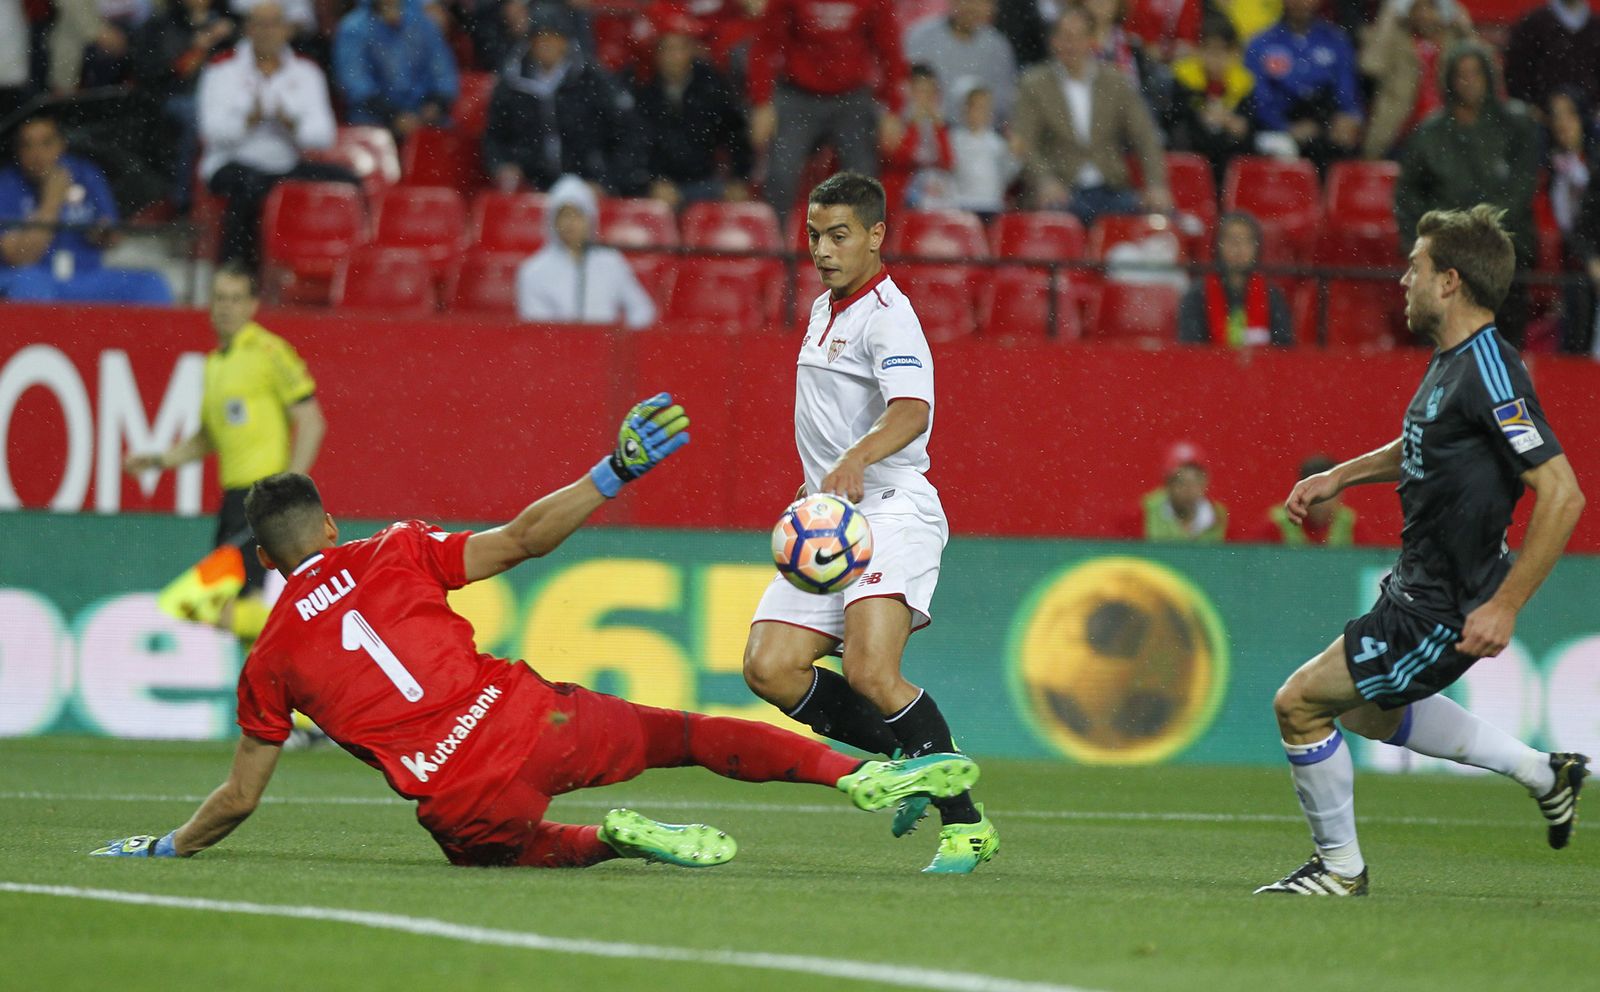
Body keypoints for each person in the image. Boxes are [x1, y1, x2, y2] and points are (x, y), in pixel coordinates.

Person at [90, 399, 981, 869]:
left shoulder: (271, 654)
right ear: (327, 529)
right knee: (687, 735)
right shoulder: (395, 549)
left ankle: (611, 842)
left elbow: (241, 798)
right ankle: (859, 770)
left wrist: (169, 843)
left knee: (504, 850)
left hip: (458, 792)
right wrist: (612, 470)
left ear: (271, 559)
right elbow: (519, 539)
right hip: (530, 718)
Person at [1256, 205, 1588, 897]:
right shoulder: (1453, 366)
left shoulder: (1491, 371)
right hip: (1419, 589)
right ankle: (1544, 773)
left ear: (1450, 283)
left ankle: (1340, 871)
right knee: (1367, 709)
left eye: (1417, 265)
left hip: (1442, 605)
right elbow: (1419, 446)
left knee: (1299, 705)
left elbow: (1563, 495)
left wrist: (1505, 606)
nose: (1404, 278)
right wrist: (1338, 475)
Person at [741, 172, 999, 875]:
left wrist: (853, 460)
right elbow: (829, 422)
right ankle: (916, 758)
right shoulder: (825, 309)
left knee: (869, 671)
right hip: (832, 519)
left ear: (877, 235)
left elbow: (912, 410)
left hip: (889, 510)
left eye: (840, 236)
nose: (823, 250)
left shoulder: (890, 316)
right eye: (815, 236)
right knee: (769, 666)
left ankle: (967, 825)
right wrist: (814, 483)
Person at [123, 263, 327, 644]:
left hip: (262, 495)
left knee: (204, 604)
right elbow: (208, 438)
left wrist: (287, 490)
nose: (226, 307)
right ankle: (268, 695)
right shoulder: (216, 363)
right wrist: (156, 461)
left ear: (252, 305)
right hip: (235, 500)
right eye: (219, 298)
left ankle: (311, 634)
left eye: (236, 299)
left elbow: (311, 420)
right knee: (238, 606)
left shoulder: (268, 351)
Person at [1395, 41, 1539, 346]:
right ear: (1448, 80)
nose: (1468, 82)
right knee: (1441, 345)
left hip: (1504, 252)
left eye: (1476, 74)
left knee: (1503, 343)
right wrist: (1425, 243)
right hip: (1444, 257)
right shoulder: (1428, 134)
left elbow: (1522, 188)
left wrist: (1484, 234)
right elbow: (1407, 196)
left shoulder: (1517, 127)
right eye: (1461, 74)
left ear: (1489, 78)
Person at [197, 2, 356, 271]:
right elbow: (211, 131)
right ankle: (237, 273)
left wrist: (293, 125)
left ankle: (343, 269)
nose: (267, 32)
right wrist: (247, 121)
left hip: (285, 166)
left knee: (348, 182)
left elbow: (323, 135)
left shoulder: (306, 72)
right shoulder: (222, 70)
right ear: (248, 28)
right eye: (260, 24)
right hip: (232, 164)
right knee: (249, 187)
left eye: (274, 24)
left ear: (286, 29)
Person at [746, 0, 909, 222]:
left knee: (863, 180)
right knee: (780, 175)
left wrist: (893, 110)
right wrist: (762, 102)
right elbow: (765, 44)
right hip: (798, 95)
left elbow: (890, 50)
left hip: (851, 98)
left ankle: (858, 249)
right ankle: (778, 246)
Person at [1012, 7, 1171, 226]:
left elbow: (1145, 136)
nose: (1070, 45)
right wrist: (1044, 181)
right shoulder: (1034, 84)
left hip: (1112, 189)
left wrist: (1156, 185)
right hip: (1061, 191)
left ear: (1091, 40)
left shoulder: (1116, 82)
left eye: (1077, 37)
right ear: (1052, 41)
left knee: (1161, 223)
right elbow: (1022, 142)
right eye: (1063, 37)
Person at [0, 113, 173, 304]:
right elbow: (18, 257)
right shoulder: (7, 184)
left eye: (46, 143)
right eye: (27, 145)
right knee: (28, 284)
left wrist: (102, 233)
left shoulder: (86, 173)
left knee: (151, 284)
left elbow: (113, 236)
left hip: (86, 276)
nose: (37, 154)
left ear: (61, 144)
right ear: (18, 152)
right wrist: (52, 200)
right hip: (39, 276)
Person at [481, 3, 647, 196]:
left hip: (587, 181)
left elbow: (628, 135)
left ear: (566, 41)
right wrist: (502, 165)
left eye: (553, 37)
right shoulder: (512, 82)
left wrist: (606, 182)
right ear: (530, 42)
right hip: (531, 186)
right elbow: (494, 135)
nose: (546, 44)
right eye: (540, 38)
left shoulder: (593, 79)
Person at [631, 17, 753, 208]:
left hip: (706, 182)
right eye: (667, 49)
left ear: (691, 51)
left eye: (680, 48)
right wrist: (651, 181)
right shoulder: (644, 92)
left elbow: (736, 134)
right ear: (657, 53)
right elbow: (635, 146)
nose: (674, 56)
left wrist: (738, 179)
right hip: (662, 186)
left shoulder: (712, 87)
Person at [130, 0, 237, 213]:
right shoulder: (162, 25)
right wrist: (198, 48)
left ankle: (234, 189)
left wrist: (230, 36)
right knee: (196, 115)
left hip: (226, 95)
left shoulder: (230, 22)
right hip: (177, 96)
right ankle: (183, 198)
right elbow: (158, 75)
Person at [514, 175, 656, 327]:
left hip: (607, 347)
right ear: (552, 221)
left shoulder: (611, 262)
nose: (570, 222)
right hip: (560, 348)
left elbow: (643, 310)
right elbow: (538, 330)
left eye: (577, 214)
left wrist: (621, 340)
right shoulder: (533, 271)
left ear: (590, 218)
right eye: (564, 215)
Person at [1244, 0, 1363, 171]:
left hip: (1324, 125)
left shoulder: (1335, 40)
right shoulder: (1261, 43)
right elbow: (1258, 98)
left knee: (1342, 146)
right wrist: (1285, 127)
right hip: (1276, 128)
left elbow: (1347, 93)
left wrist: (1348, 118)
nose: (1301, 3)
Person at [1358, 0, 1472, 161]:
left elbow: (1486, 75)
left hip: (1449, 136)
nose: (1424, 14)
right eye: (1417, 8)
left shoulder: (1455, 44)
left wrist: (1467, 30)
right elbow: (1371, 66)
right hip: (1399, 137)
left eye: (1431, 8)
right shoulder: (1397, 41)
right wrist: (1388, 18)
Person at [332, 0, 460, 143]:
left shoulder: (423, 22)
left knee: (449, 140)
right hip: (375, 119)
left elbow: (444, 75)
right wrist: (394, 115)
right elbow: (355, 84)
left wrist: (436, 105)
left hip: (424, 117)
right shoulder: (353, 28)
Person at [1164, 14, 1258, 184]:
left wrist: (1231, 122)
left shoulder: (1244, 83)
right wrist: (1201, 114)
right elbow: (1173, 118)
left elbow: (1248, 125)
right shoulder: (1184, 78)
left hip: (1228, 154)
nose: (1216, 59)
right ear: (1197, 50)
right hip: (1194, 149)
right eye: (1209, 50)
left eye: (1223, 51)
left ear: (1235, 53)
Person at [1177, 211, 1292, 348]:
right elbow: (1191, 350)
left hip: (1259, 368)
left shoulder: (1272, 296)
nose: (1239, 248)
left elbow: (1284, 351)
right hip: (1211, 368)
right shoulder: (1197, 295)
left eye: (1246, 240)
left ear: (1257, 247)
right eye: (1232, 240)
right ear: (1218, 245)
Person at [903, 0, 1019, 124]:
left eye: (982, 2)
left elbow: (1004, 105)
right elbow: (903, 91)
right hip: (929, 132)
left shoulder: (998, 47)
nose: (973, 7)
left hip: (979, 135)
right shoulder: (920, 37)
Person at [1502, 0, 1600, 121]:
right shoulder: (1532, 24)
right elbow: (1516, 73)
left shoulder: (1596, 27)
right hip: (1541, 123)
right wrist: (1532, 108)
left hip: (1589, 123)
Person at [1254, 454, 1363, 546]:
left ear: (1340, 494)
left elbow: (1369, 567)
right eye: (1316, 495)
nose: (1322, 503)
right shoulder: (1276, 524)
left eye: (1329, 495)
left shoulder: (1351, 525)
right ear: (1300, 493)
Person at [1137, 441, 1228, 542]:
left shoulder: (1221, 518)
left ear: (1205, 482)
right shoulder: (1142, 514)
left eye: (1196, 481)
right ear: (1167, 483)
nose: (1188, 489)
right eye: (1180, 481)